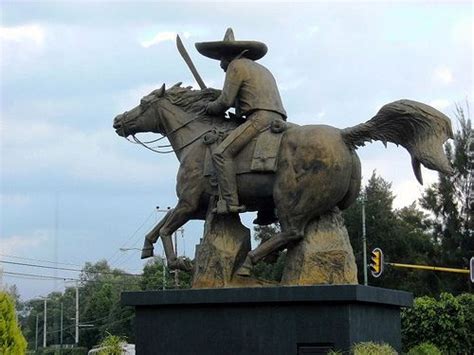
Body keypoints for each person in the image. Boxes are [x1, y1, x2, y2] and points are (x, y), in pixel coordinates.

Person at [195, 28, 287, 214]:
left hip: (259, 119)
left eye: (221, 57)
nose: (220, 63)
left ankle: (230, 202)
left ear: (229, 55)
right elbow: (245, 98)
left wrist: (209, 107)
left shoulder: (236, 66)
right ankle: (266, 208)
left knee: (221, 153)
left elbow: (225, 102)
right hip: (278, 118)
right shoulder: (261, 69)